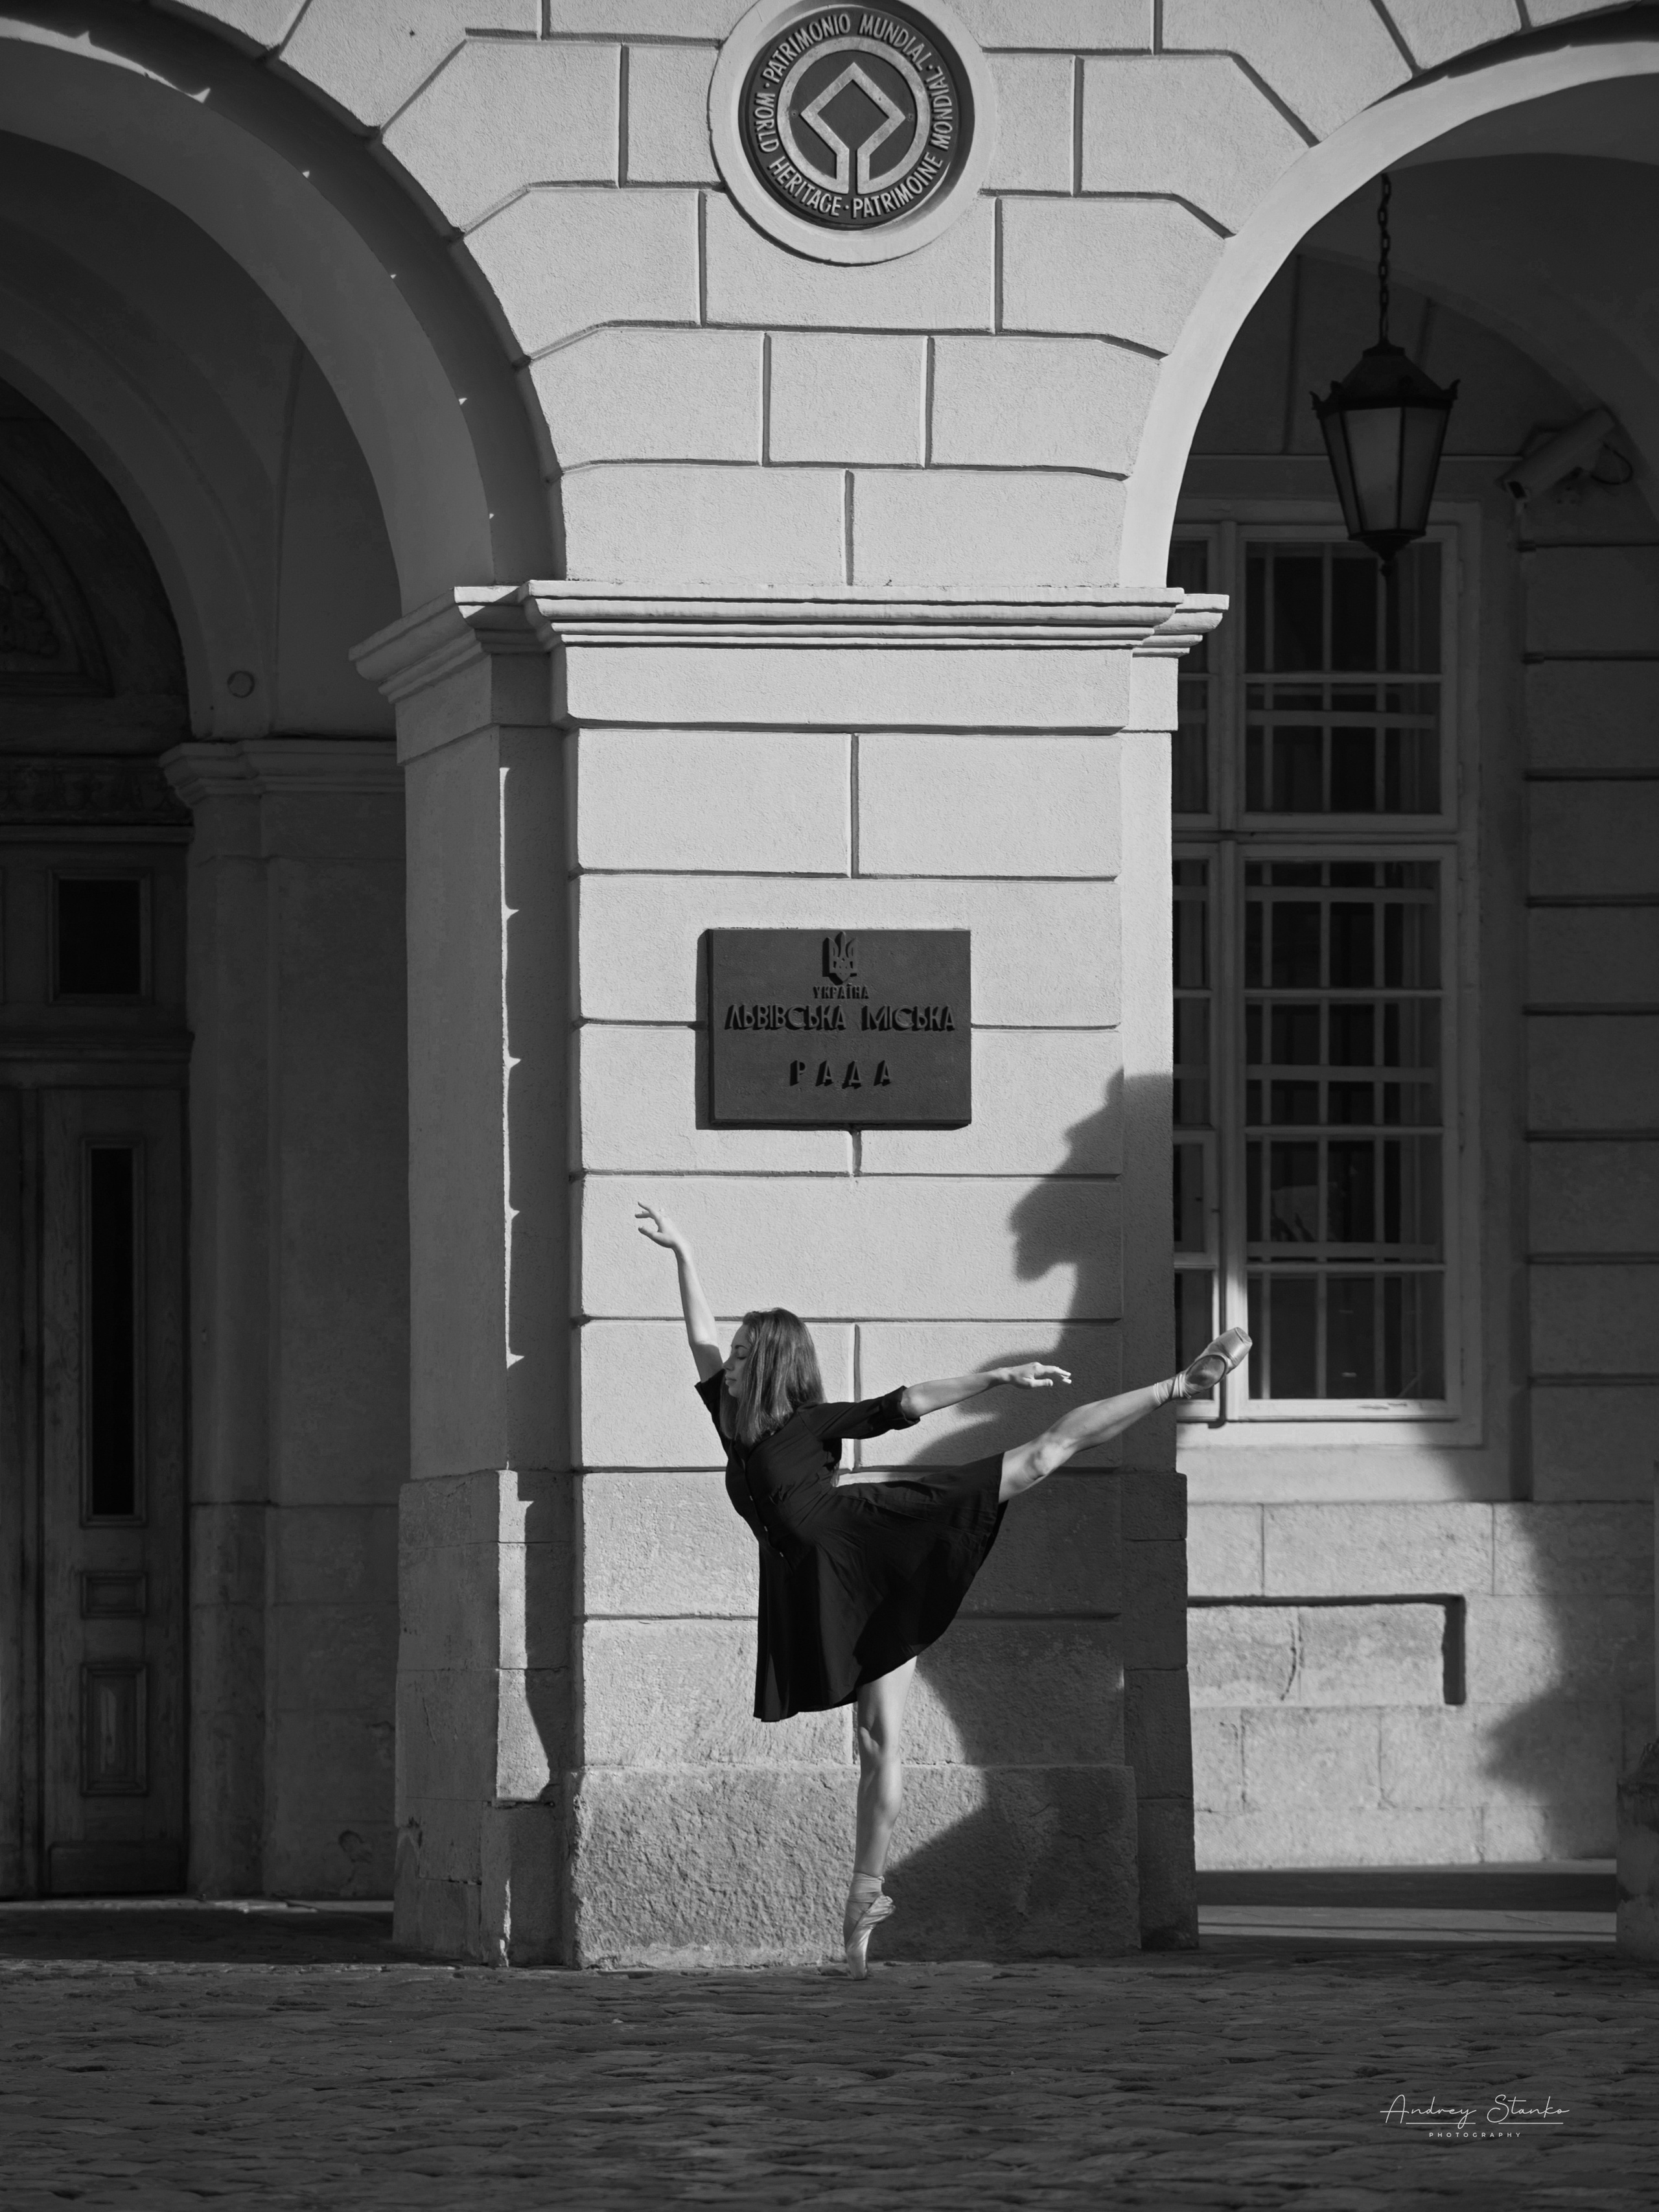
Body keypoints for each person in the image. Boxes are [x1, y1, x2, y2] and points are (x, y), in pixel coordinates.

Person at [634, 1202, 1250, 1977]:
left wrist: (996, 1376)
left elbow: (908, 1402)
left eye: (745, 1344)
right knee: (872, 1743)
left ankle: (1175, 1385)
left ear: (770, 1359)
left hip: (875, 1553)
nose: (732, 1351)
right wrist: (682, 1251)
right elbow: (697, 1333)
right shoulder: (731, 1419)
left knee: (1037, 1456)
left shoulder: (818, 1418)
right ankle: (865, 1899)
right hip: (820, 1589)